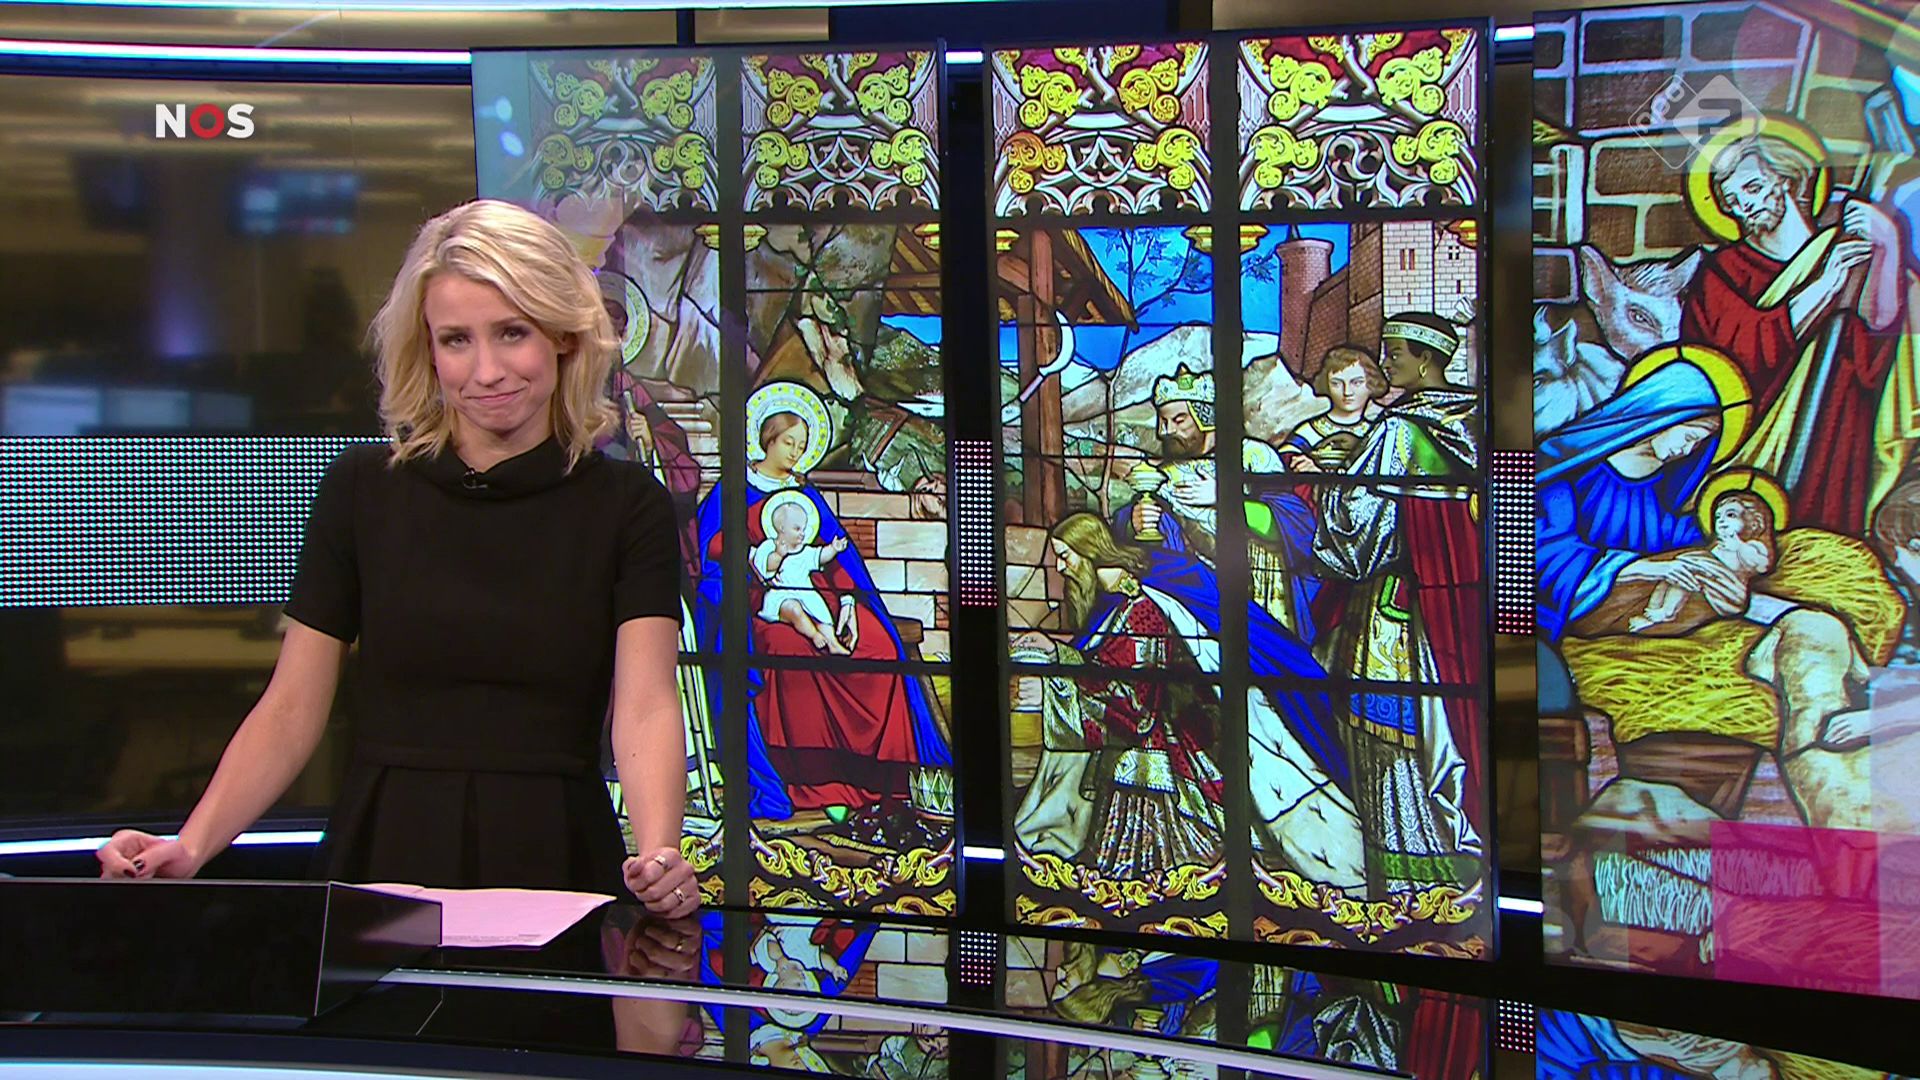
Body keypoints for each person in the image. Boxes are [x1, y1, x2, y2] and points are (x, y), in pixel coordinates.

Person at [96, 200, 697, 915]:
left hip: (554, 846)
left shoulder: (627, 505)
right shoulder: (362, 489)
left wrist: (660, 853)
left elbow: (646, 705)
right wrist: (192, 846)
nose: (486, 371)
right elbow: (291, 708)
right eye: (456, 340)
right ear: (427, 349)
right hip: (383, 847)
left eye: (512, 333)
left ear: (564, 336)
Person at [691, 383, 952, 846]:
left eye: (803, 444)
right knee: (786, 648)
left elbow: (837, 559)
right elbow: (712, 558)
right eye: (789, 442)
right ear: (767, 439)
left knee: (880, 645)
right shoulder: (733, 490)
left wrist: (849, 605)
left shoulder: (804, 492)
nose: (796, 452)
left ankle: (879, 778)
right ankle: (804, 780)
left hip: (824, 599)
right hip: (762, 604)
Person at [1312, 313, 1484, 897]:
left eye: (1394, 354)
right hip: (1458, 604)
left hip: (1398, 607)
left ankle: (1408, 867)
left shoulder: (1400, 432)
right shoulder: (1474, 420)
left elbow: (1356, 529)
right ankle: (1453, 846)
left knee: (1391, 733)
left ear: (1426, 359)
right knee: (1443, 722)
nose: (1386, 364)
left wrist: (1332, 482)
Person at [1680, 129, 1906, 533]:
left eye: (1752, 188)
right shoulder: (1723, 274)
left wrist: (1888, 246)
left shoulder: (1845, 250)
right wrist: (1824, 286)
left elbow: (1881, 346)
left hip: (1840, 437)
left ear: (1788, 179)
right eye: (1732, 201)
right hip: (1752, 450)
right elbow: (1737, 357)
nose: (1743, 206)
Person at [1630, 490, 1775, 634]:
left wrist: (1739, 546)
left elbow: (1762, 566)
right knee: (1678, 571)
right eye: (1718, 517)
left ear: (1753, 523)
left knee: (1690, 570)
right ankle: (1652, 611)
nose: (1721, 521)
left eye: (1731, 515)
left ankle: (1668, 612)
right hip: (1711, 580)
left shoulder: (1753, 546)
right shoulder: (1718, 545)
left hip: (1731, 591)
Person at [751, 497, 852, 655]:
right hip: (781, 596)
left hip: (806, 594)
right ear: (782, 528)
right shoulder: (769, 546)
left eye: (803, 529)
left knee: (821, 615)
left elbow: (820, 556)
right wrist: (778, 555)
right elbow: (766, 569)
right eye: (797, 529)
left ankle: (833, 643)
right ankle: (814, 635)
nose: (802, 534)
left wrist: (833, 549)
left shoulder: (804, 551)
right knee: (794, 609)